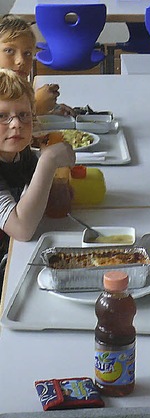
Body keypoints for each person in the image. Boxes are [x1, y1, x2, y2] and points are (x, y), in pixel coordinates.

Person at [0, 69, 74, 246]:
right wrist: (48, 162)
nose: (16, 124)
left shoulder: (21, 154)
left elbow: (54, 199)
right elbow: (22, 230)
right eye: (2, 116)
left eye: (23, 115)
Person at [0, 14, 73, 116]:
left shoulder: (22, 89)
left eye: (27, 53)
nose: (20, 61)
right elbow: (9, 127)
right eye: (9, 51)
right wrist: (37, 106)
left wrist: (48, 111)